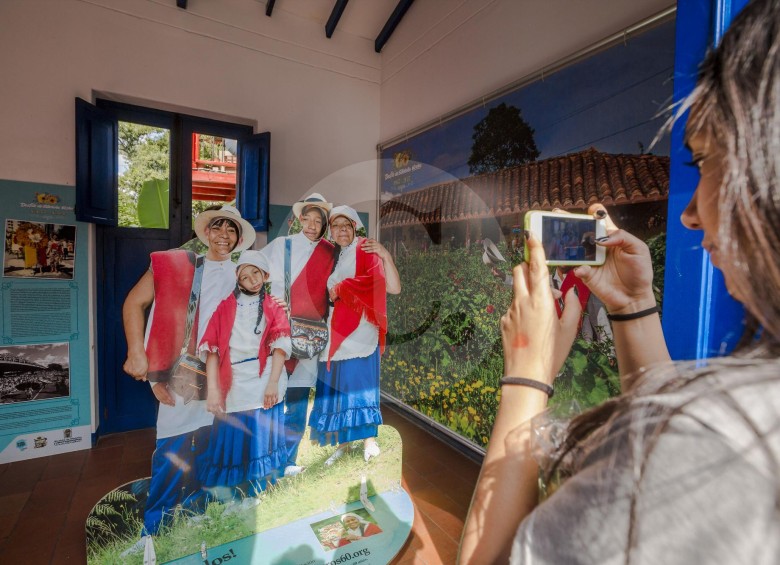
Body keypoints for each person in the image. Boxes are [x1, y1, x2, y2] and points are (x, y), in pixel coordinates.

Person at [459, 1, 780, 563]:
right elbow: (656, 431)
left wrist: (528, 378)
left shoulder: (713, 443)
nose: (688, 215)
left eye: (704, 161)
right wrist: (634, 307)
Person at [121, 205, 255, 550]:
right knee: (172, 443)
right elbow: (134, 303)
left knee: (216, 443)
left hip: (226, 374)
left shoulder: (245, 271)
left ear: (239, 239)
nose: (224, 236)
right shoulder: (173, 263)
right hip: (181, 371)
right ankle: (153, 530)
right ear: (206, 232)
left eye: (232, 231)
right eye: (218, 228)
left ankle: (200, 511)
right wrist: (138, 353)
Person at [198, 251, 291, 509]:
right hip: (234, 382)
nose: (252, 280)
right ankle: (229, 497)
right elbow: (212, 351)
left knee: (261, 434)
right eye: (245, 275)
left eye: (256, 273)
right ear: (237, 279)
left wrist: (273, 383)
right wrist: (214, 390)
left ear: (265, 275)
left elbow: (280, 349)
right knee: (233, 437)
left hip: (265, 379)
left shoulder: (273, 306)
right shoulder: (224, 308)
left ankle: (257, 492)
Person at [260, 193, 336, 476]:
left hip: (311, 337)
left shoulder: (330, 252)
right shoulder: (282, 245)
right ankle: (266, 460)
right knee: (271, 399)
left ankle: (287, 462)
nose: (313, 225)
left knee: (297, 402)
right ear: (300, 219)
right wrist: (269, 301)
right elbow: (252, 271)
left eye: (319, 221)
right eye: (309, 219)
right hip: (279, 333)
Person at [308, 206, 388, 464]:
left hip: (361, 327)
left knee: (360, 382)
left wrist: (343, 286)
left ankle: (369, 441)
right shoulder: (337, 255)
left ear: (355, 227)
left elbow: (375, 280)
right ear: (330, 230)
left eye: (346, 225)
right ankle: (344, 443)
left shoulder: (365, 248)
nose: (341, 230)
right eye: (336, 226)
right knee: (340, 385)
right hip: (336, 325)